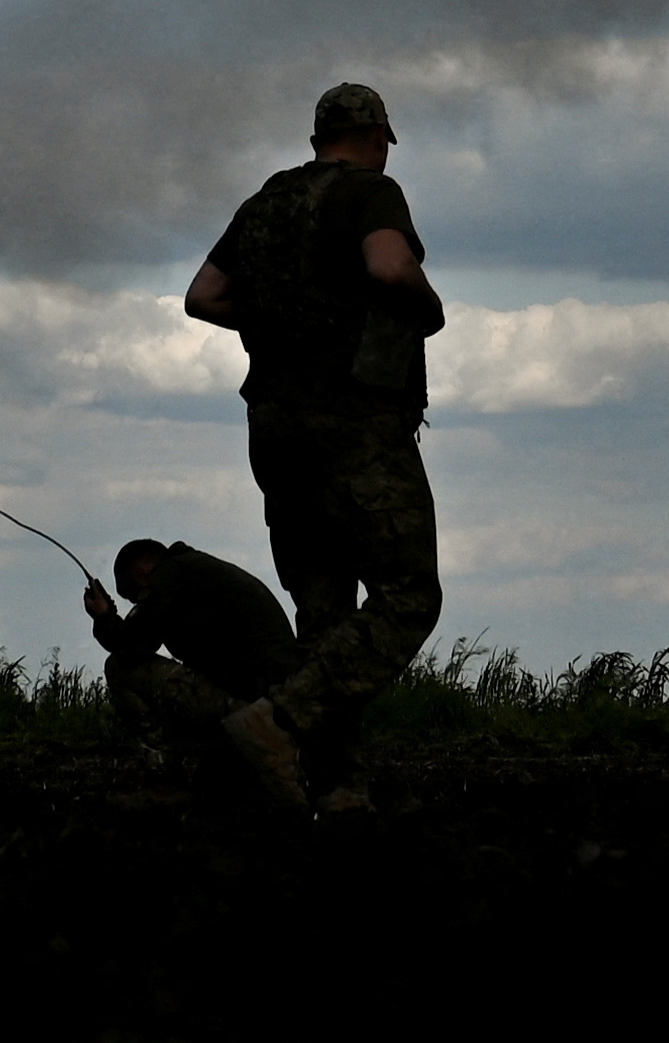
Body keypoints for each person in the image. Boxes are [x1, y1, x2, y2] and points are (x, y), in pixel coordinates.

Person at [184, 80, 445, 815]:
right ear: (377, 138)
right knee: (407, 595)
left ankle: (335, 784)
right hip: (355, 420)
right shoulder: (369, 193)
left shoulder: (265, 203)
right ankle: (280, 720)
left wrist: (276, 323)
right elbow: (390, 267)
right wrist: (429, 308)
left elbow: (202, 295)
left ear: (316, 137)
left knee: (324, 612)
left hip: (275, 425)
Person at [84, 537, 301, 771]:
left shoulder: (169, 577)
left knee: (119, 667)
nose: (137, 603)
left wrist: (104, 617)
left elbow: (131, 645)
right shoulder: (192, 571)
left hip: (251, 703)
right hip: (278, 697)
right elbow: (147, 636)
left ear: (142, 573)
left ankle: (164, 771)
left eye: (133, 596)